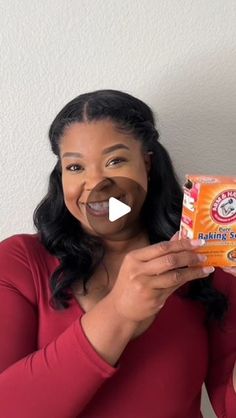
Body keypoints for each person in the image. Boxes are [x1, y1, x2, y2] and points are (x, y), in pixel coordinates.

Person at [0, 89, 235, 418]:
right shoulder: (19, 262)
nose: (95, 183)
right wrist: (120, 312)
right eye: (75, 167)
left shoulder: (204, 265)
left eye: (115, 161)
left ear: (147, 164)